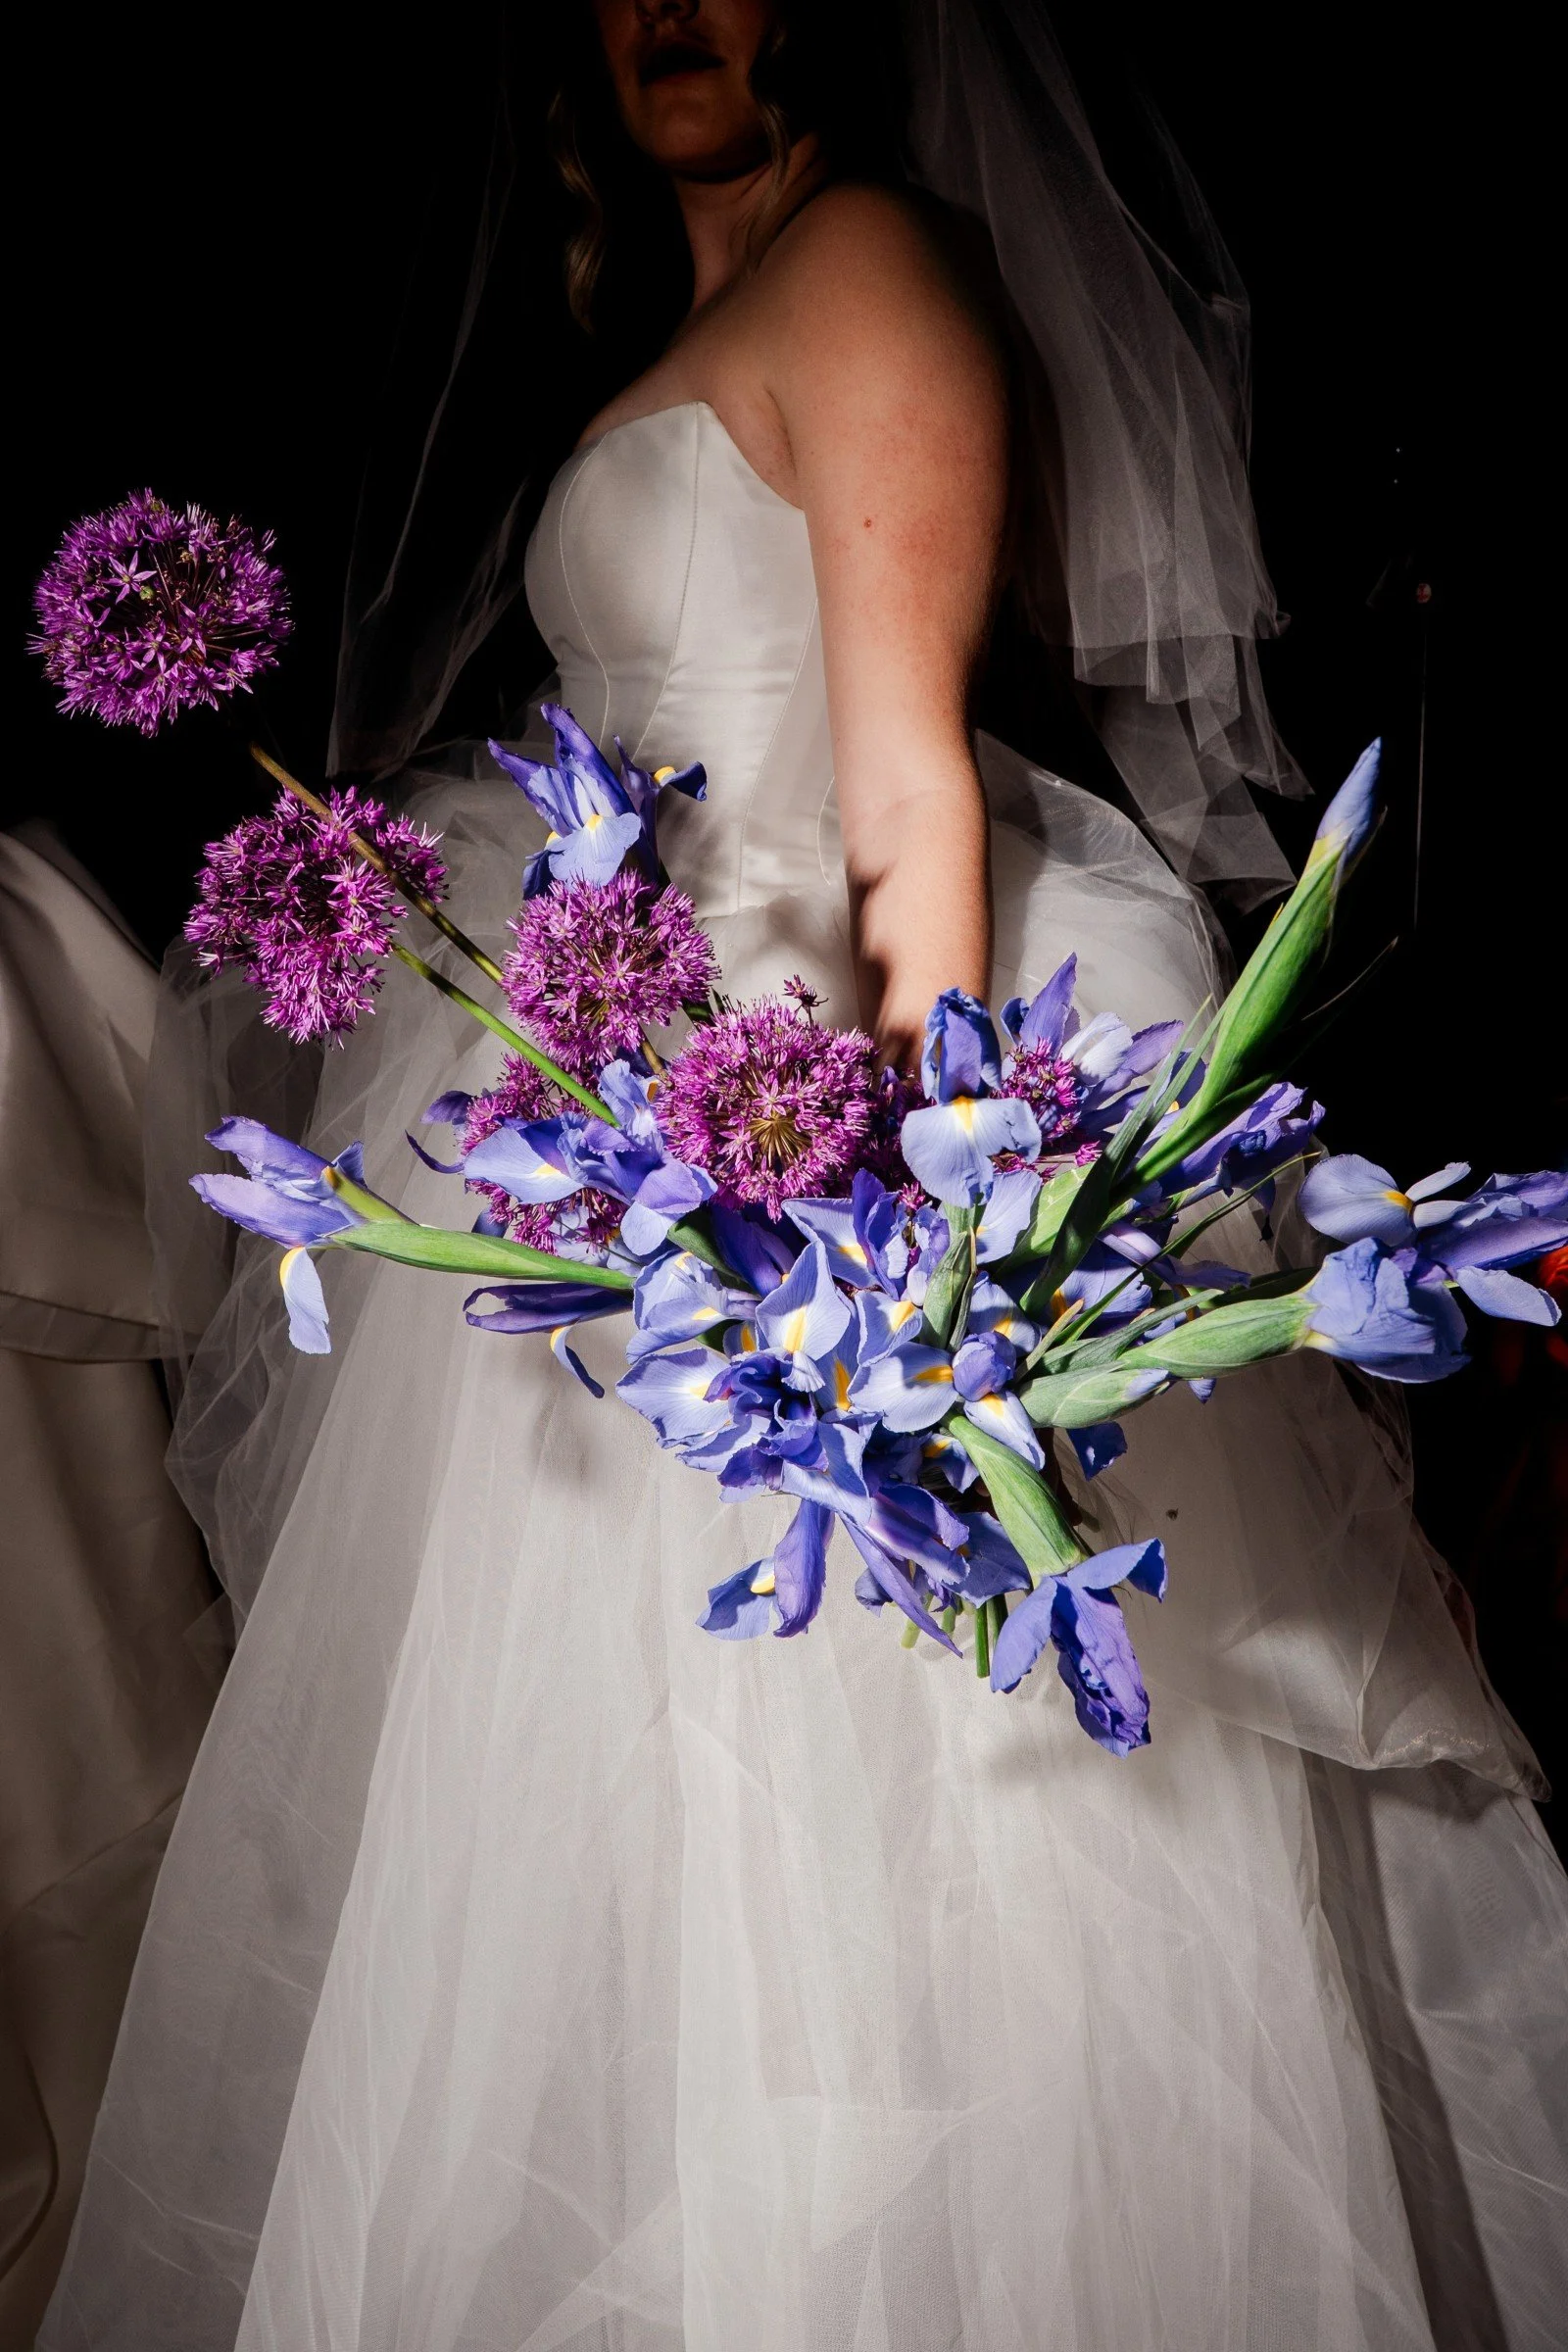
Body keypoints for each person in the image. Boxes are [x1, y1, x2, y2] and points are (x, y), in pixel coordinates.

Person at [44, 5, 1567, 2347]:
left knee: (902, 1873)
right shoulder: (712, 305)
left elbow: (904, 800)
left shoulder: (867, 254)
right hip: (642, 1135)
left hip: (808, 1151)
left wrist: (897, 1282)